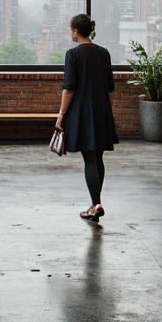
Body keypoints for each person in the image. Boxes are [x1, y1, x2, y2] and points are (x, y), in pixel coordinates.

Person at [55, 12, 119, 222]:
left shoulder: (72, 55)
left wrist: (61, 114)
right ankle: (94, 204)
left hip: (83, 113)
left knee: (89, 160)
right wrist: (108, 112)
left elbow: (69, 88)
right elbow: (110, 88)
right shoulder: (104, 53)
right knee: (97, 158)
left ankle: (97, 204)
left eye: (70, 30)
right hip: (101, 111)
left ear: (75, 30)